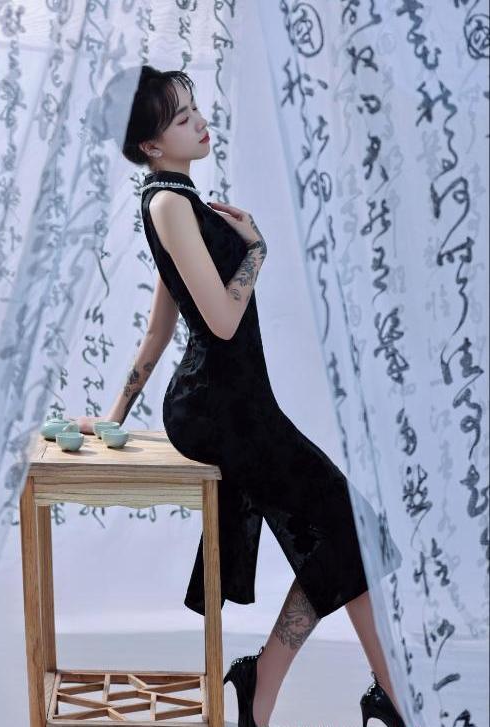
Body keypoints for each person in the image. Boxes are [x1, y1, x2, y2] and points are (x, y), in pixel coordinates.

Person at [72, 64, 407, 727]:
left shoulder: (176, 199)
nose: (200, 121)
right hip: (219, 410)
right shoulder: (168, 205)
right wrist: (256, 250)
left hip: (238, 403)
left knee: (346, 535)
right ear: (150, 145)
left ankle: (301, 687)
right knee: (350, 530)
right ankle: (373, 695)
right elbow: (222, 323)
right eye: (181, 118)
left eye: (194, 107)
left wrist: (113, 415)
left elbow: (159, 327)